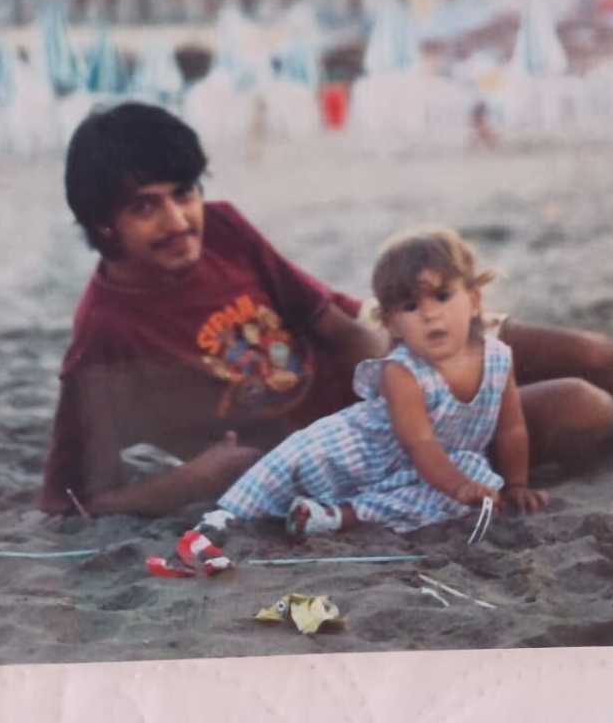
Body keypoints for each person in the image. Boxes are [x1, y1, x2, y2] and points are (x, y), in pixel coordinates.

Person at [39, 101, 613, 518]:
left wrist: (409, 372)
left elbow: (333, 324)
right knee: (586, 409)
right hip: (352, 457)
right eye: (147, 208)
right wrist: (199, 480)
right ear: (103, 223)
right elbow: (71, 502)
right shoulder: (105, 337)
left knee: (600, 356)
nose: (178, 222)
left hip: (392, 366)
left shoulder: (221, 227)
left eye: (184, 194)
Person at [203, 227, 548, 537]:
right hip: (366, 453)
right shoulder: (402, 371)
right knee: (295, 458)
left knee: (479, 479)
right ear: (392, 325)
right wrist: (457, 486)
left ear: (473, 301)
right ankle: (226, 517)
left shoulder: (498, 358)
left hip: (432, 469)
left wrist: (517, 483)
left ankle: (339, 517)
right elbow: (421, 444)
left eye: (442, 296)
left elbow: (511, 429)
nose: (430, 314)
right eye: (411, 306)